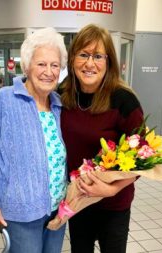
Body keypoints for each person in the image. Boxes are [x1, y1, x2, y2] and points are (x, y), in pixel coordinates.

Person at [0, 27, 68, 253]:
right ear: (27, 66)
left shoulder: (59, 105)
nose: (48, 72)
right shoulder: (3, 101)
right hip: (21, 214)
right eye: (41, 64)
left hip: (57, 212)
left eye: (55, 65)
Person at [59, 24, 145, 253]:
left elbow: (144, 158)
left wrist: (112, 189)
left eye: (98, 56)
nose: (89, 64)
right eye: (83, 55)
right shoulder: (62, 95)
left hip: (113, 204)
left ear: (109, 61)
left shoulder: (123, 100)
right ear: (72, 59)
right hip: (78, 199)